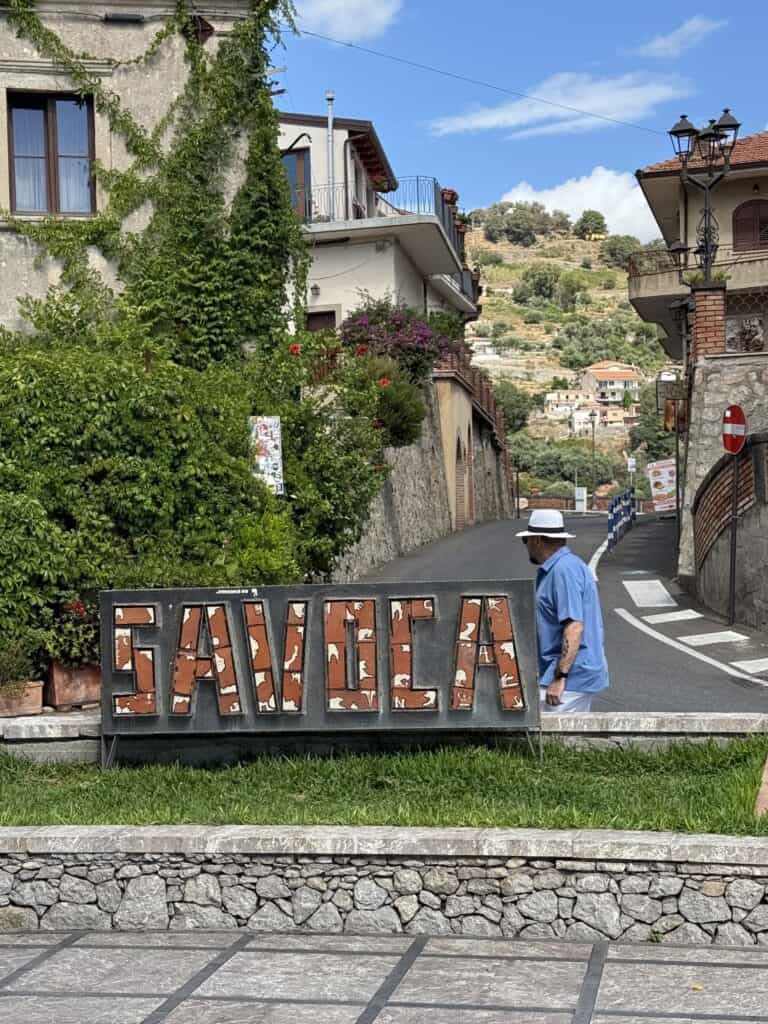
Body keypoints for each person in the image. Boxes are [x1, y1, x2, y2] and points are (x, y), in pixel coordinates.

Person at [516, 509, 609, 712]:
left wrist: (560, 678)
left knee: (543, 725)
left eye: (526, 540)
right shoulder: (566, 566)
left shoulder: (562, 571)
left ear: (537, 540)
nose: (526, 546)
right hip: (572, 673)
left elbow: (574, 626)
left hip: (570, 678)